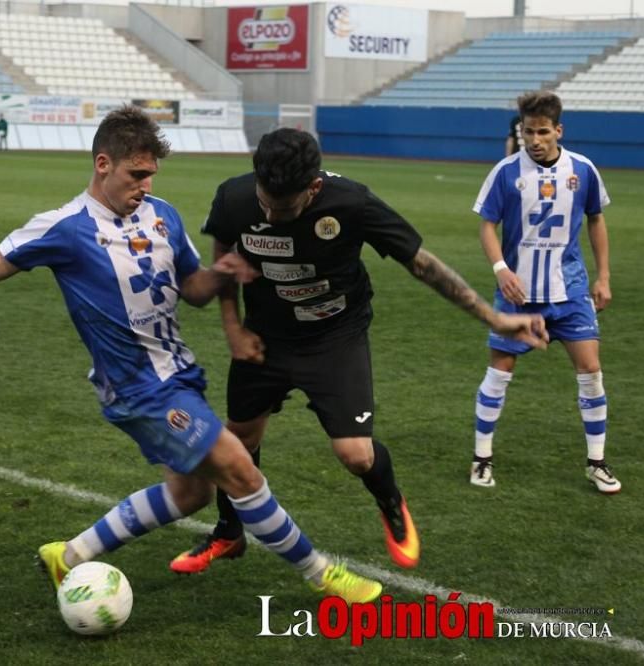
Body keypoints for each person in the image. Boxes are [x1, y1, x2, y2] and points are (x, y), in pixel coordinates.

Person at [0, 106, 384, 605]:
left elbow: (192, 288)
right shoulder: (65, 227)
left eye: (150, 175)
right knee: (241, 470)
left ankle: (70, 556)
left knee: (191, 495)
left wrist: (223, 272)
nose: (144, 184)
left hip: (178, 373)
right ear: (103, 164)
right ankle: (322, 574)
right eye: (136, 174)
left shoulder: (162, 215)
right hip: (136, 387)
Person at [167, 127, 549, 576]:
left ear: (313, 188)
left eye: (283, 208)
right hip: (265, 336)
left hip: (335, 337)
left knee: (355, 455)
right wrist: (232, 328)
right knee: (239, 438)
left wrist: (495, 317)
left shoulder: (352, 204)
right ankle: (229, 533)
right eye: (265, 200)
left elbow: (422, 264)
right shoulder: (235, 198)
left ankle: (390, 503)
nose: (270, 213)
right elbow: (224, 259)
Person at [468, 91, 621, 494]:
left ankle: (597, 463)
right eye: (527, 132)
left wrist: (603, 276)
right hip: (518, 295)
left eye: (541, 132)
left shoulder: (583, 170)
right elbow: (487, 225)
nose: (534, 140)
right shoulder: (505, 172)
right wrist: (501, 269)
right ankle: (481, 458)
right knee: (498, 374)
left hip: (568, 291)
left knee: (591, 372)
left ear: (558, 130)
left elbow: (596, 220)